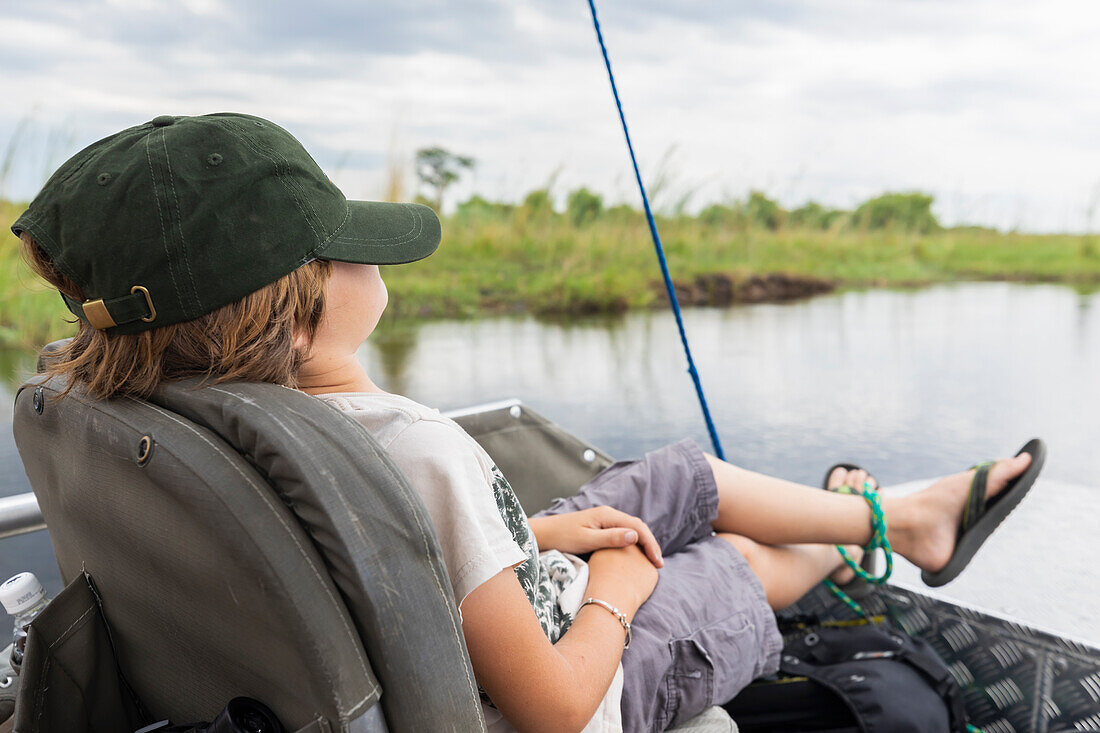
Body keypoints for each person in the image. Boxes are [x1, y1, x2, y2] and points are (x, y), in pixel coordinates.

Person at [12, 113, 1043, 733]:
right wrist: (621, 594)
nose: (379, 264)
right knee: (724, 550)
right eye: (355, 248)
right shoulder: (416, 450)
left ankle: (899, 517)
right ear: (300, 297)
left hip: (479, 599)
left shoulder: (156, 399)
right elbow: (551, 709)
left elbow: (383, 556)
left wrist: (538, 536)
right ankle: (856, 526)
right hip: (583, 682)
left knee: (677, 476)